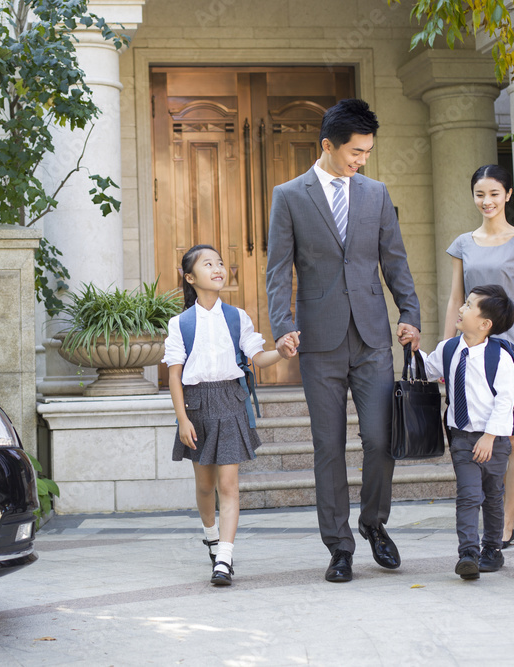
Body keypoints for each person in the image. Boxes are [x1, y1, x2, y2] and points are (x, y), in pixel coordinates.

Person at [266, 98, 421, 583]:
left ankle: (374, 523)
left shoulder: (375, 193)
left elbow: (394, 259)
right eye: (355, 152)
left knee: (380, 440)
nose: (361, 160)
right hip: (320, 341)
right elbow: (278, 270)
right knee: (328, 446)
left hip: (374, 336)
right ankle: (339, 546)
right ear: (328, 146)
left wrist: (410, 313)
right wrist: (283, 324)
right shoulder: (289, 195)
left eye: (368, 152)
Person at [164, 244, 291, 586]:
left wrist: (279, 351)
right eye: (208, 264)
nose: (218, 268)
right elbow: (174, 376)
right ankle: (211, 535)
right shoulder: (180, 323)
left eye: (220, 263)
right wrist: (182, 419)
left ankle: (224, 557)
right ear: (190, 277)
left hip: (231, 401)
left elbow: (257, 358)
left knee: (228, 484)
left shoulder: (237, 317)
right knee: (205, 487)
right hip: (196, 406)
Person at [444, 164, 514, 549]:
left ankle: (505, 522)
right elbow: (456, 299)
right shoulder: (462, 243)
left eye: (493, 194)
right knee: (477, 428)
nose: (486, 201)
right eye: (479, 194)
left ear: (507, 195)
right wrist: (446, 351)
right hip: (472, 348)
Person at [421, 284, 514, 579]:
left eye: (469, 306)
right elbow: (426, 370)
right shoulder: (449, 348)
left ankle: (492, 549)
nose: (461, 309)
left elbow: (506, 400)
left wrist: (490, 436)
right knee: (468, 495)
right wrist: (414, 349)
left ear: (485, 323)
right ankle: (468, 554)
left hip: (495, 439)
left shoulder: (500, 357)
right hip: (461, 437)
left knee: (492, 495)